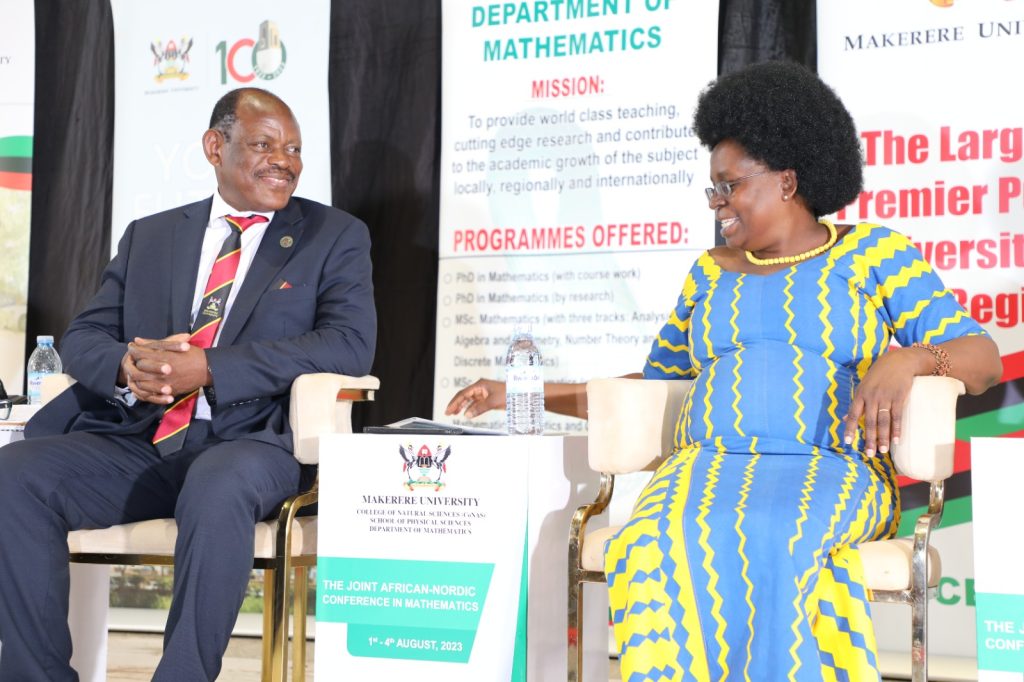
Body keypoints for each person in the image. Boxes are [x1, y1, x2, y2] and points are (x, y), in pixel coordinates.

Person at [447, 61, 1002, 681]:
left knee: (779, 537)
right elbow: (650, 386)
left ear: (788, 181)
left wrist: (914, 357)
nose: (718, 204)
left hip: (828, 466)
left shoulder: (875, 254)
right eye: (712, 190)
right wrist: (517, 391)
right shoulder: (708, 273)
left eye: (730, 185)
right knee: (651, 544)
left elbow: (981, 359)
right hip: (704, 466)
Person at [0, 87, 376, 681]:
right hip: (142, 437)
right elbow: (86, 334)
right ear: (214, 146)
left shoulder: (333, 236)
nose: (285, 160)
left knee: (217, 481)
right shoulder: (151, 235)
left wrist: (213, 369)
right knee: (14, 475)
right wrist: (127, 365)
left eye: (295, 148)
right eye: (263, 144)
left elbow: (348, 345)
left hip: (254, 444)